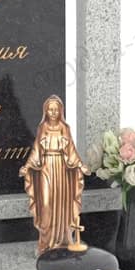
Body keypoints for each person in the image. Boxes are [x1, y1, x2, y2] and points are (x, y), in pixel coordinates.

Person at [20, 96, 90, 255]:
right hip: (46, 168)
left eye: (56, 110)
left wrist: (80, 165)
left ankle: (62, 241)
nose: (53, 112)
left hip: (62, 169)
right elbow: (36, 150)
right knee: (46, 204)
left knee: (62, 205)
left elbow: (71, 150)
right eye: (50, 109)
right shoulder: (42, 128)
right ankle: (45, 243)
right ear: (45, 111)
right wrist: (27, 166)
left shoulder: (64, 128)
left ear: (60, 111)